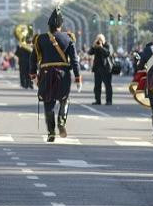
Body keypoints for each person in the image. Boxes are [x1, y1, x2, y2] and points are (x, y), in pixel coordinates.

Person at [31, 8, 81, 142]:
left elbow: (33, 59)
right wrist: (77, 77)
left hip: (46, 74)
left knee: (48, 101)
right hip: (63, 74)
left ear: (49, 25)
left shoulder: (40, 39)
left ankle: (51, 132)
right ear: (60, 25)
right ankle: (61, 122)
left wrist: (33, 76)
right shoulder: (68, 38)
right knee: (64, 98)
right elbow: (74, 60)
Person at [87, 34, 113, 105]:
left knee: (108, 85)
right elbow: (89, 52)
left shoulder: (108, 45)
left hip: (106, 68)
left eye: (100, 39)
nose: (99, 41)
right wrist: (93, 46)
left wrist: (101, 47)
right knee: (97, 86)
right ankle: (97, 100)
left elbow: (108, 53)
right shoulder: (96, 46)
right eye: (98, 39)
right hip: (97, 68)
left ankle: (109, 100)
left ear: (103, 39)